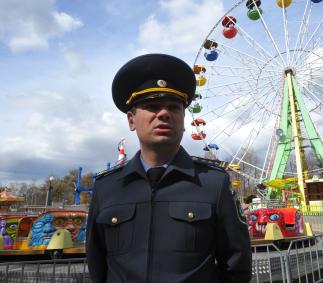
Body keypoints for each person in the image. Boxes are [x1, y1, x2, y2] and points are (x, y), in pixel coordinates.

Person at [86, 54, 252, 283]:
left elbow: (236, 265)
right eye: (152, 106)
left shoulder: (213, 183)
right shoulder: (106, 187)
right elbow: (97, 264)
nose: (164, 113)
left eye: (174, 107)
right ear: (131, 120)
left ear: (183, 118)